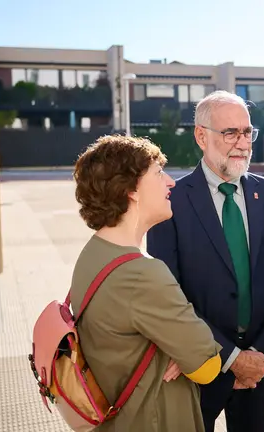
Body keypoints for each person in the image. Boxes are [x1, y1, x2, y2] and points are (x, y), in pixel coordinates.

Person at [147, 90, 264, 432]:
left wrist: (261, 356)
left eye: (247, 132)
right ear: (201, 136)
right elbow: (168, 295)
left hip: (263, 369)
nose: (243, 143)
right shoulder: (170, 202)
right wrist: (231, 358)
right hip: (198, 367)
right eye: (230, 133)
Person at [69, 135, 223, 432]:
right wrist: (182, 349)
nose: (171, 182)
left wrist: (178, 348)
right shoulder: (143, 274)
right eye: (158, 173)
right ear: (131, 190)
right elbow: (207, 367)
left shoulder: (93, 253)